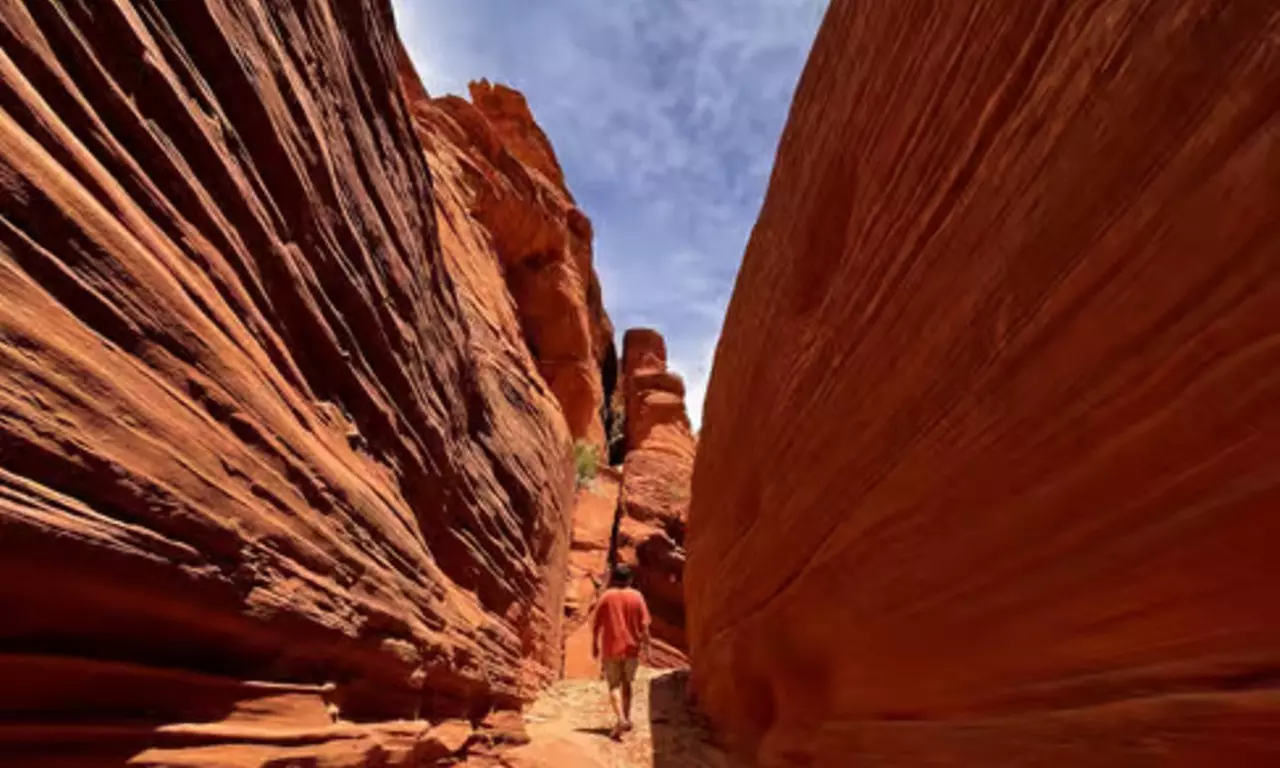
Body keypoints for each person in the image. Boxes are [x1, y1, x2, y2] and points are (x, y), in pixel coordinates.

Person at [591, 564, 651, 739]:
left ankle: (621, 718)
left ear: (614, 579)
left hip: (611, 648)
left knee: (613, 685)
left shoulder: (606, 597)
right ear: (630, 580)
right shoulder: (637, 597)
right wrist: (647, 646)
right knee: (627, 683)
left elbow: (596, 624)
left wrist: (594, 644)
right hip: (632, 648)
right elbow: (645, 625)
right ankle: (627, 717)